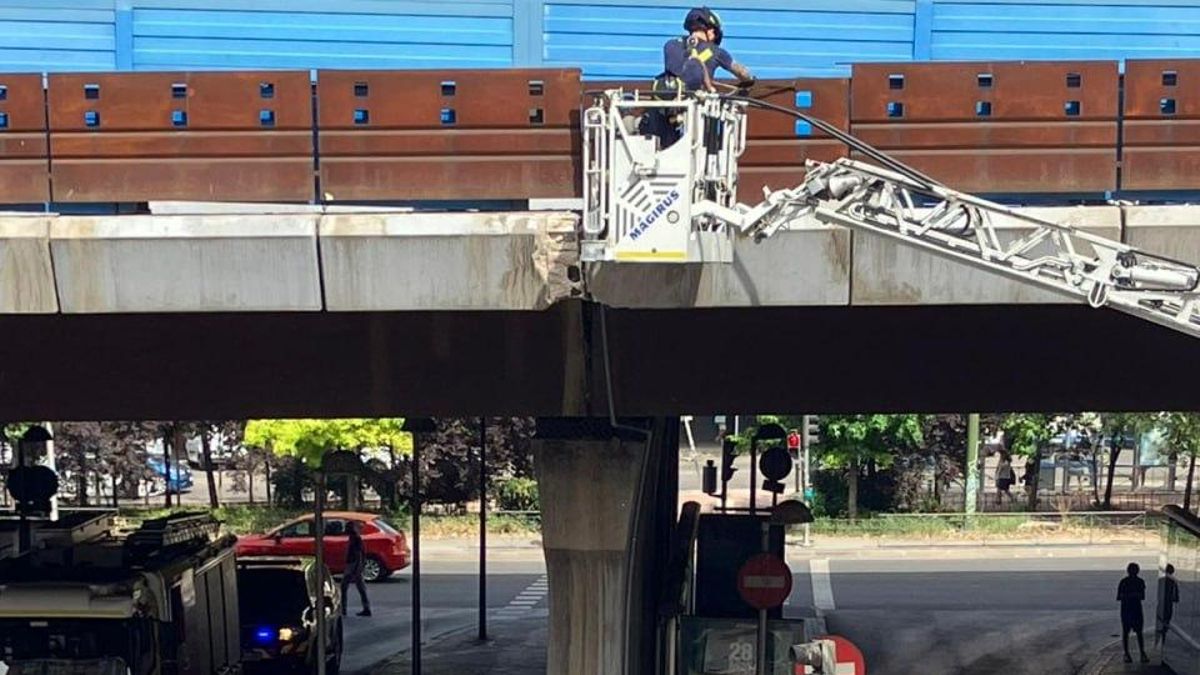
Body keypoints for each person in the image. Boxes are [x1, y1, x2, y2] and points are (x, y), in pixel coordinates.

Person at [1118, 562, 1150, 663]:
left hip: (1127, 609)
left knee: (1127, 632)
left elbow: (1120, 596)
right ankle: (1141, 653)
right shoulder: (1139, 582)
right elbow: (1142, 596)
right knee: (1137, 632)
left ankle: (1127, 653)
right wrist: (1134, 595)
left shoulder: (1124, 582)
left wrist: (1128, 596)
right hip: (1134, 609)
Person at [341, 520, 372, 617]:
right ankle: (366, 608)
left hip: (353, 565)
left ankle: (343, 609)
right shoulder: (354, 538)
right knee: (361, 588)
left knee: (344, 587)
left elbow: (358, 554)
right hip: (354, 565)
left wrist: (357, 567)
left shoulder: (355, 539)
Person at [1157, 563, 1181, 648]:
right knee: (1166, 623)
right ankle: (1163, 641)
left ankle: (1158, 641)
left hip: (1160, 605)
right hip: (1168, 605)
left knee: (1160, 622)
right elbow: (1176, 598)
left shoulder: (1160, 581)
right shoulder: (1173, 582)